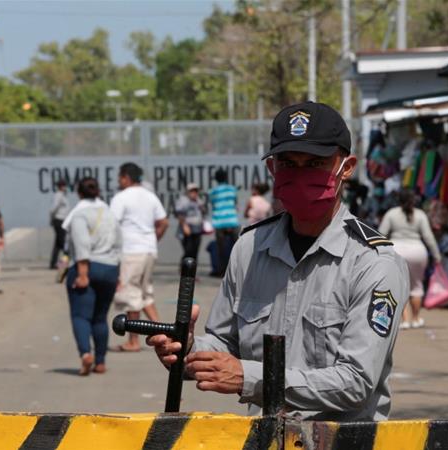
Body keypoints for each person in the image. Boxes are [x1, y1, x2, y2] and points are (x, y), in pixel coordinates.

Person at [147, 102, 409, 421]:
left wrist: (251, 378)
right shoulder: (249, 248)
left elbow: (356, 382)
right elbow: (224, 346)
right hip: (265, 437)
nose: (300, 175)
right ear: (272, 169)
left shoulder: (374, 262)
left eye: (315, 163)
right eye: (288, 163)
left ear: (347, 167)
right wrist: (186, 348)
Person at [63, 177, 121, 375]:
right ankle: (101, 361)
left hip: (88, 267)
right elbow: (119, 243)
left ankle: (86, 354)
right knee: (100, 317)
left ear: (79, 193)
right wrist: (118, 274)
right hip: (111, 269)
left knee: (81, 316)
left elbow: (81, 245)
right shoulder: (109, 213)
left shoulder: (79, 214)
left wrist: (82, 274)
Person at [110, 162, 168, 352]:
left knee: (131, 295)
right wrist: (153, 238)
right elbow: (163, 222)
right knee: (145, 294)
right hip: (149, 250)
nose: (119, 181)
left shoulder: (121, 198)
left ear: (126, 177)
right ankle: (164, 333)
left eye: (120, 177)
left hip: (132, 251)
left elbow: (112, 227)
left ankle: (133, 341)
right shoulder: (150, 196)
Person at [378, 189, 441, 329]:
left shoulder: (391, 213)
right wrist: (437, 256)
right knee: (417, 286)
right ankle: (416, 318)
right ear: (414, 201)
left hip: (396, 250)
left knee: (399, 286)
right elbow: (428, 237)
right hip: (418, 252)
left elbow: (381, 233)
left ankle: (405, 320)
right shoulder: (420, 215)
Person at [209, 168, 240, 276]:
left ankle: (222, 272)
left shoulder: (212, 192)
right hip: (232, 221)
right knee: (237, 248)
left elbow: (213, 205)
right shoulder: (232, 189)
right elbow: (235, 203)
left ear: (216, 179)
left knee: (221, 249)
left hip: (219, 222)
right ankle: (238, 271)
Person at [175, 183, 206, 265]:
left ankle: (193, 274)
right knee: (188, 251)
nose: (194, 193)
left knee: (195, 252)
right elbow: (179, 214)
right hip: (187, 229)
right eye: (192, 191)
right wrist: (184, 225)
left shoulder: (198, 200)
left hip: (197, 229)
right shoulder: (183, 200)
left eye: (196, 191)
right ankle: (184, 270)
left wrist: (201, 205)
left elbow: (203, 211)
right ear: (188, 192)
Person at [49, 179, 70, 270]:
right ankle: (63, 264)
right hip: (59, 220)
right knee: (63, 244)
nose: (65, 187)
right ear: (61, 186)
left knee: (58, 244)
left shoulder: (63, 196)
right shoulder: (59, 196)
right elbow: (53, 209)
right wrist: (52, 219)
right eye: (64, 185)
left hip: (62, 220)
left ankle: (53, 263)